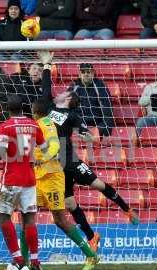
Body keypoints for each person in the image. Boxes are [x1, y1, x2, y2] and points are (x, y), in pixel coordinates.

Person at [38, 51, 139, 253]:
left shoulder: (73, 116)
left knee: (98, 185)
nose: (61, 92)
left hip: (71, 161)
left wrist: (89, 136)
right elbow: (46, 87)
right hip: (56, 167)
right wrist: (47, 65)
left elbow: (88, 134)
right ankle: (92, 236)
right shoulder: (49, 108)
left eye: (65, 93)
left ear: (68, 99)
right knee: (69, 203)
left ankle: (127, 209)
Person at [0, 95, 46, 270]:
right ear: (24, 108)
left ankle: (18, 259)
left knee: (2, 217)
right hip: (29, 180)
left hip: (11, 180)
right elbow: (45, 147)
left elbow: (0, 153)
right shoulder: (34, 125)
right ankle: (35, 261)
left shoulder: (6, 126)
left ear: (7, 109)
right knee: (29, 219)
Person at [31, 99, 99, 270]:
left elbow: (55, 146)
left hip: (52, 177)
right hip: (39, 177)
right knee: (27, 217)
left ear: (34, 111)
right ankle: (26, 263)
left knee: (60, 220)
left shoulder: (46, 125)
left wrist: (42, 158)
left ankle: (91, 256)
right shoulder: (40, 123)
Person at [69, 63, 114, 136]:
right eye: (83, 72)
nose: (86, 74)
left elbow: (107, 110)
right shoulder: (74, 86)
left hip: (96, 123)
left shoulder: (100, 86)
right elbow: (66, 107)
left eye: (88, 72)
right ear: (79, 74)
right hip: (78, 124)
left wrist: (100, 128)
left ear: (93, 73)